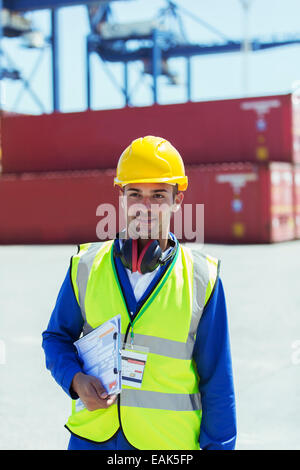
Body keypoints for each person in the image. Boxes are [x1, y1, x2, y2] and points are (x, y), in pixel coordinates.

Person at [42, 136, 237, 450]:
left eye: (158, 195)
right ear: (121, 197)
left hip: (165, 446)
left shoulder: (203, 279)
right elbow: (56, 338)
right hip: (92, 441)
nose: (145, 207)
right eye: (135, 194)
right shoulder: (86, 266)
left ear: (178, 200)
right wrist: (75, 380)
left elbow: (217, 382)